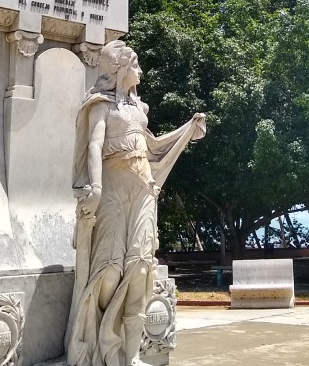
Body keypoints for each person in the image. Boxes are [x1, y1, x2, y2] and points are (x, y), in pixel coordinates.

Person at [67, 42, 206, 366]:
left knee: (141, 267)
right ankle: (102, 339)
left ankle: (130, 357)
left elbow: (153, 145)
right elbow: (94, 145)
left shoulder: (139, 110)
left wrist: (187, 129)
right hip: (113, 191)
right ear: (118, 70)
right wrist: (96, 188)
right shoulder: (101, 106)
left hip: (144, 190)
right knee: (110, 271)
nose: (140, 73)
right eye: (135, 66)